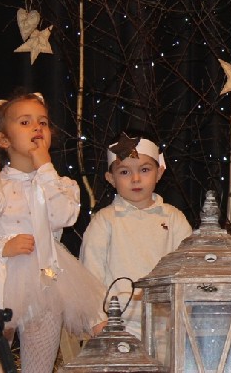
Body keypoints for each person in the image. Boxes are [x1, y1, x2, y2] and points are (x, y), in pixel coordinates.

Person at [0, 91, 106, 372]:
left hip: (48, 281)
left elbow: (64, 216)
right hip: (2, 280)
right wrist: (2, 247)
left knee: (40, 362)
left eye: (42, 122)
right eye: (25, 122)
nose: (36, 127)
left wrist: (44, 167)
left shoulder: (60, 183)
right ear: (3, 140)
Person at [79, 132, 192, 339]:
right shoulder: (105, 221)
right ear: (111, 178)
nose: (136, 179)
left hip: (167, 324)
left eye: (145, 170)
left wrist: (186, 314)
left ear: (159, 172)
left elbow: (189, 270)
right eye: (124, 172)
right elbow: (90, 276)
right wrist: (97, 321)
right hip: (117, 324)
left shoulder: (174, 219)